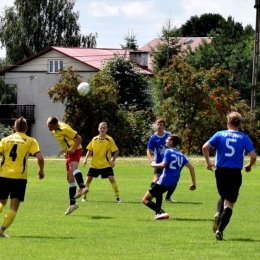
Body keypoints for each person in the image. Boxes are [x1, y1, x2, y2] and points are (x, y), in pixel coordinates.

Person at [202, 112, 257, 241]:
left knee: (223, 196)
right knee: (229, 203)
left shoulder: (220, 134)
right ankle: (220, 230)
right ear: (239, 124)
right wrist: (249, 165)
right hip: (234, 172)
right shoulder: (244, 138)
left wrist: (209, 162)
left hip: (220, 171)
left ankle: (217, 213)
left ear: (228, 123)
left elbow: (205, 147)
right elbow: (253, 156)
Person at [0, 117, 44, 238]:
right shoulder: (30, 141)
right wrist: (41, 170)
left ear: (14, 128)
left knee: (1, 202)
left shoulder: (5, 140)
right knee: (13, 206)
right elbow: (40, 158)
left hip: (3, 175)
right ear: (26, 128)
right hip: (20, 178)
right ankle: (1, 231)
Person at [142, 134, 196, 220]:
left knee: (145, 199)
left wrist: (153, 164)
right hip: (173, 183)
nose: (166, 141)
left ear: (171, 142)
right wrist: (193, 183)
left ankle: (161, 212)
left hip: (164, 180)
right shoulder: (181, 155)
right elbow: (191, 168)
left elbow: (163, 165)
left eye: (167, 139)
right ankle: (158, 214)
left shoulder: (168, 151)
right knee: (158, 194)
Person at [47, 116, 88, 215]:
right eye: (48, 126)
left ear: (56, 125)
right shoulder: (55, 130)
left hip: (75, 150)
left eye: (50, 126)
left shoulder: (64, 128)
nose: (48, 128)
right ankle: (72, 203)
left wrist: (73, 149)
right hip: (69, 152)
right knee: (69, 178)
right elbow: (65, 141)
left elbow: (79, 138)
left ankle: (82, 187)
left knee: (74, 168)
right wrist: (65, 151)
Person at [81, 122, 121, 202]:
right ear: (98, 129)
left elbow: (116, 151)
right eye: (101, 128)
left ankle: (118, 198)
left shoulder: (109, 140)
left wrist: (113, 161)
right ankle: (84, 197)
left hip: (106, 165)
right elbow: (89, 150)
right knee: (88, 179)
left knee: (112, 179)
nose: (102, 129)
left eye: (104, 128)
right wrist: (85, 159)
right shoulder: (94, 139)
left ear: (107, 129)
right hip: (94, 165)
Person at [147, 118, 176, 203]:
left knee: (172, 180)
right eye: (157, 124)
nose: (159, 126)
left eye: (161, 125)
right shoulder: (153, 138)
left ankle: (168, 197)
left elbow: (174, 147)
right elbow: (149, 150)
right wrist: (151, 160)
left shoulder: (169, 135)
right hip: (159, 161)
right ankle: (150, 193)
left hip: (169, 161)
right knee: (156, 178)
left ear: (164, 126)